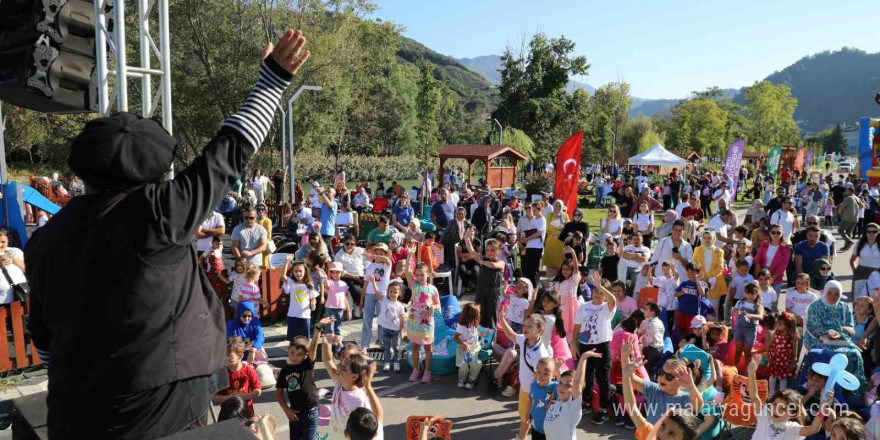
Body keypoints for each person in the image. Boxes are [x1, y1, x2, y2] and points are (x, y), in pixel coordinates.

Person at [24, 30, 310, 438]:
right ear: (154, 172)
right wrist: (273, 79)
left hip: (76, 412)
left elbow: (45, 339)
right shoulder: (159, 212)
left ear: (82, 173)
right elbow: (230, 150)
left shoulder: (44, 240)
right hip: (160, 411)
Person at [571, 272, 618, 425]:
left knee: (603, 379)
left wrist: (600, 286)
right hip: (585, 345)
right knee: (587, 377)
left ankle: (603, 410)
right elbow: (577, 326)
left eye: (601, 291)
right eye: (596, 290)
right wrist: (573, 344)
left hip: (601, 346)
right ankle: (586, 403)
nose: (598, 293)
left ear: (605, 294)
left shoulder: (607, 308)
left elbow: (613, 300)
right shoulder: (584, 306)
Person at [747, 355, 831, 440]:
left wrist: (822, 407)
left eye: (783, 409)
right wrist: (751, 374)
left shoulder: (793, 429)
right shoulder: (765, 416)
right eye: (775, 404)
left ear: (793, 414)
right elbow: (754, 397)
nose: (777, 410)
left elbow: (813, 429)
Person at [804, 280, 866, 388]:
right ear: (825, 292)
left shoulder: (845, 307)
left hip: (840, 341)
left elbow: (851, 328)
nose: (833, 296)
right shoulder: (816, 306)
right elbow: (814, 329)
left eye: (836, 294)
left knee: (855, 354)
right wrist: (829, 333)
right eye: (830, 293)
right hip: (818, 340)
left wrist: (847, 330)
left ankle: (850, 387)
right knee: (828, 354)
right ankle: (820, 386)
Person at [499, 313, 551, 440]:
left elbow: (539, 378)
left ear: (540, 330)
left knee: (527, 417)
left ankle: (521, 437)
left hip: (532, 392)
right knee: (525, 416)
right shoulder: (524, 339)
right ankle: (521, 436)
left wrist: (533, 396)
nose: (525, 328)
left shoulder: (540, 354)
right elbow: (511, 335)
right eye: (525, 325)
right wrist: (501, 318)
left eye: (530, 326)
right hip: (525, 388)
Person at [275, 324, 327, 440]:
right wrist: (287, 411)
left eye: (299, 355)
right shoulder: (285, 371)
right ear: (288, 350)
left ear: (306, 355)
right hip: (294, 413)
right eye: (292, 352)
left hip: (310, 412)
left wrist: (318, 329)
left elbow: (313, 347)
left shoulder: (307, 365)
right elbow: (279, 395)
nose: (294, 357)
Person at [404, 257, 442, 384]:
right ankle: (416, 369)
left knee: (427, 347)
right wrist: (409, 255)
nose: (420, 277)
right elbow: (407, 271)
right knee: (414, 346)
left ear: (428, 274)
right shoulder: (413, 285)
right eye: (418, 275)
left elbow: (438, 305)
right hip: (415, 320)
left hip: (427, 321)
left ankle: (427, 371)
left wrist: (433, 307)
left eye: (422, 275)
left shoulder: (433, 289)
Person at [464, 231, 504, 328]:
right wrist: (466, 239)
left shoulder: (501, 263)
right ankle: (480, 335)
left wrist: (482, 261)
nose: (489, 252)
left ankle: (492, 337)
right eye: (488, 250)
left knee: (492, 315)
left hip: (493, 293)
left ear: (499, 251)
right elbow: (472, 251)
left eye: (493, 250)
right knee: (479, 314)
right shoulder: (483, 260)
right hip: (481, 290)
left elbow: (493, 265)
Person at [213, 337, 262, 410]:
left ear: (240, 356)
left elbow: (258, 390)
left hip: (246, 410)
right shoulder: (220, 373)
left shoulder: (248, 370)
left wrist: (245, 396)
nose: (226, 359)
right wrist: (228, 398)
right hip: (227, 411)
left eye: (230, 356)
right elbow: (214, 396)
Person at [360, 243, 392, 349]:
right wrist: (362, 298)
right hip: (369, 294)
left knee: (382, 319)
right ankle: (365, 345)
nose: (378, 255)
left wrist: (372, 256)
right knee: (367, 320)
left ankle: (382, 342)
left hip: (382, 294)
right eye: (376, 252)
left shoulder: (387, 265)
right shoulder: (370, 266)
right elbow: (365, 283)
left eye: (381, 253)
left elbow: (386, 259)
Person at [282, 258, 318, 341]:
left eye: (300, 271)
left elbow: (313, 298)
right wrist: (287, 261)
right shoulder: (291, 283)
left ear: (305, 271)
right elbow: (283, 276)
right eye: (296, 271)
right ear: (293, 272)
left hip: (304, 316)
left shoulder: (309, 284)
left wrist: (313, 303)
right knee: (293, 339)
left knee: (305, 339)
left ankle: (305, 353)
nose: (298, 273)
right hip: (292, 315)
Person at [693, 230, 726, 319]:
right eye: (704, 238)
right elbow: (694, 265)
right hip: (700, 282)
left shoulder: (719, 251)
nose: (707, 240)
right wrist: (700, 278)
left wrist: (706, 276)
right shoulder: (697, 249)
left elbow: (720, 268)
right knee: (700, 307)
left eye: (709, 238)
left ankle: (712, 329)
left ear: (713, 239)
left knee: (713, 308)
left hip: (714, 283)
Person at [453, 303, 487, 390]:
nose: (478, 318)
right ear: (470, 316)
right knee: (463, 366)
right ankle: (462, 379)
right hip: (463, 349)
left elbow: (473, 333)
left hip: (474, 348)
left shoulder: (474, 323)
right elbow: (455, 338)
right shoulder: (461, 326)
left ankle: (471, 380)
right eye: (476, 316)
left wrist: (481, 334)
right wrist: (463, 344)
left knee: (475, 364)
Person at [731, 283, 764, 369]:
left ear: (756, 294)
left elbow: (760, 316)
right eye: (747, 293)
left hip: (750, 331)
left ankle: (748, 371)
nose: (749, 295)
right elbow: (733, 311)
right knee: (738, 350)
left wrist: (750, 316)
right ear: (744, 293)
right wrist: (735, 312)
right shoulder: (740, 302)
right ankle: (735, 368)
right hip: (739, 329)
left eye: (752, 293)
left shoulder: (758, 305)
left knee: (747, 352)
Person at [753, 224, 792, 292]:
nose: (775, 234)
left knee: (774, 301)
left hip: (776, 276)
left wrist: (771, 279)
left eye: (778, 232)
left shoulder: (786, 248)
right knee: (759, 299)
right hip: (762, 273)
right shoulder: (764, 244)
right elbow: (757, 260)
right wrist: (760, 276)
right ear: (770, 233)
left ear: (782, 233)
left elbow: (783, 266)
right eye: (773, 232)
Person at [378, 281, 406, 373]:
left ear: (399, 293)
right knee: (386, 347)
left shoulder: (400, 306)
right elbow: (377, 292)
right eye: (391, 291)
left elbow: (402, 319)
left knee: (396, 347)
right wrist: (373, 282)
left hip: (396, 330)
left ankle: (396, 362)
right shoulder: (385, 301)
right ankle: (387, 362)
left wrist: (402, 330)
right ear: (388, 291)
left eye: (395, 292)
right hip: (386, 330)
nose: (393, 294)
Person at [767, 311, 798, 394]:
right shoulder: (775, 333)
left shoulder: (792, 336)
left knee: (783, 378)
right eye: (777, 323)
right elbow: (769, 345)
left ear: (787, 326)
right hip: (775, 360)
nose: (777, 325)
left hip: (785, 362)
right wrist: (768, 356)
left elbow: (794, 351)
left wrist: (792, 363)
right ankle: (771, 393)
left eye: (780, 324)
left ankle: (780, 394)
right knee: (773, 376)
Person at [521, 203, 547, 288]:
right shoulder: (534, 219)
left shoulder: (542, 219)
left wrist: (526, 239)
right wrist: (524, 239)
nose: (533, 212)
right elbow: (530, 231)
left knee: (534, 269)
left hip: (536, 247)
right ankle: (529, 286)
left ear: (540, 210)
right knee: (528, 268)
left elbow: (538, 233)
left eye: (535, 210)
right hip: (529, 246)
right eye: (533, 210)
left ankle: (535, 287)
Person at [852, 223, 880, 298]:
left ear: (878, 233)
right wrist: (855, 271)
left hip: (877, 273)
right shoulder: (859, 244)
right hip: (861, 273)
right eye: (869, 231)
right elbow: (853, 260)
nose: (871, 233)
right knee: (858, 298)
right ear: (865, 232)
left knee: (876, 298)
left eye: (874, 232)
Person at [543, 201, 570, 277]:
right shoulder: (550, 215)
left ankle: (560, 280)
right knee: (550, 262)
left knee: (560, 261)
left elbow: (568, 228)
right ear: (553, 206)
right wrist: (557, 229)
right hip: (551, 241)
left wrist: (559, 232)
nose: (558, 207)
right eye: (556, 205)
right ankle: (550, 280)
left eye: (559, 206)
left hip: (561, 242)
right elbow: (547, 227)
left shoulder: (565, 216)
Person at [840, 185, 861, 251]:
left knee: (840, 230)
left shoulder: (848, 198)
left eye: (846, 190)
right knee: (848, 233)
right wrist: (855, 209)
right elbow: (862, 206)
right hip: (855, 218)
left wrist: (840, 212)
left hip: (847, 217)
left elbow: (842, 208)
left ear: (850, 191)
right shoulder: (856, 198)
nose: (845, 192)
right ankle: (846, 247)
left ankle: (849, 241)